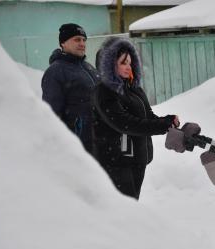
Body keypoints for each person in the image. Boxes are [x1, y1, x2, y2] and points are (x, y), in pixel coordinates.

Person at [93, 37, 179, 200]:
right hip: (117, 162)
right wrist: (162, 126)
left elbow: (147, 116)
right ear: (110, 64)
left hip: (136, 159)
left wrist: (168, 121)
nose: (129, 67)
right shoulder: (104, 92)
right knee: (123, 209)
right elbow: (125, 124)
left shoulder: (133, 89)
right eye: (123, 62)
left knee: (131, 204)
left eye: (130, 62)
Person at [42, 23, 100, 153]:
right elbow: (52, 115)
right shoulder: (55, 71)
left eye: (84, 40)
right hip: (78, 145)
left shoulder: (88, 67)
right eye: (77, 39)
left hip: (100, 141)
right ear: (63, 43)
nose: (82, 43)